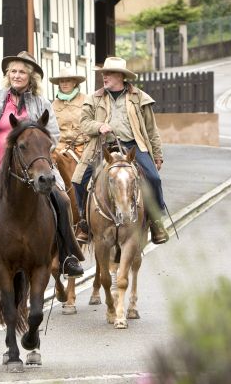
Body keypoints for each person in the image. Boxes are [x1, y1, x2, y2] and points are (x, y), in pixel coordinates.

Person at [0, 51, 85, 284]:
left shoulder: (42, 103)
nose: (16, 75)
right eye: (13, 71)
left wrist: (36, 148)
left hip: (33, 166)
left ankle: (68, 256)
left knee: (63, 200)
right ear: (7, 75)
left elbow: (52, 135)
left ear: (30, 76)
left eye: (22, 72)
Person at [71, 56, 169, 244]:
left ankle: (156, 221)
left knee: (154, 178)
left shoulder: (139, 97)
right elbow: (83, 123)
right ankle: (84, 222)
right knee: (78, 180)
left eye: (109, 74)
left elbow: (151, 129)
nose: (104, 77)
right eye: (103, 73)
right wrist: (99, 126)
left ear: (121, 76)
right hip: (102, 147)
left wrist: (157, 155)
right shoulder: (94, 98)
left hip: (134, 146)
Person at [50, 65, 90, 242]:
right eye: (61, 81)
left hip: (81, 147)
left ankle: (85, 218)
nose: (64, 83)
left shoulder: (86, 101)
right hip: (58, 147)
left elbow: (91, 125)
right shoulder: (53, 104)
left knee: (88, 179)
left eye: (68, 80)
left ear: (75, 82)